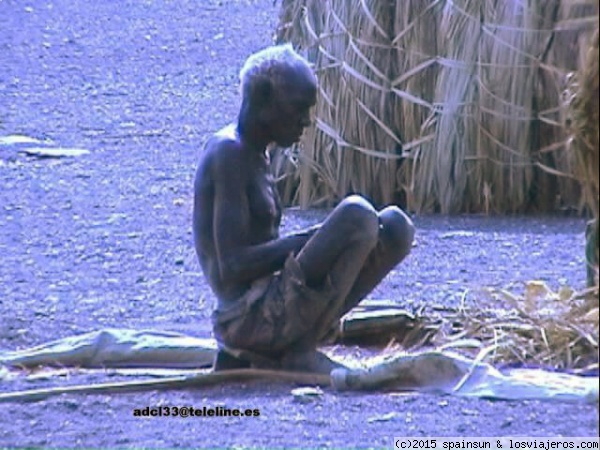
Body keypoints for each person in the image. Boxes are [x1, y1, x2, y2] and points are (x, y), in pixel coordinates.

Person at [193, 44, 415, 374]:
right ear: (264, 101)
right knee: (357, 215)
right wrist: (311, 240)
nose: (306, 121)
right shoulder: (230, 154)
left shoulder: (257, 153)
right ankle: (298, 349)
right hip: (245, 320)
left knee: (395, 227)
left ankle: (302, 342)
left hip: (270, 306)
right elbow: (232, 267)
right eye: (299, 108)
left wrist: (316, 242)